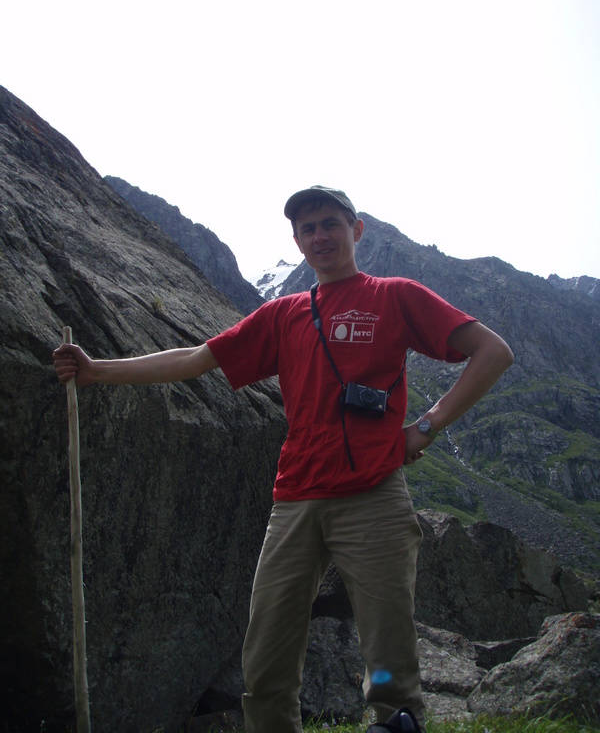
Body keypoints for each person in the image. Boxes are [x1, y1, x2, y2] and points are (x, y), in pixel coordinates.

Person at [53, 185, 514, 733]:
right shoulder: (284, 314)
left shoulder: (396, 295)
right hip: (294, 499)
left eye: (330, 223)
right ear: (297, 241)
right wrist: (96, 370)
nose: (320, 235)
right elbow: (198, 359)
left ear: (356, 229)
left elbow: (493, 352)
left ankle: (397, 720)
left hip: (373, 495)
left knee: (386, 641)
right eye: (308, 228)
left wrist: (427, 426)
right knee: (268, 647)